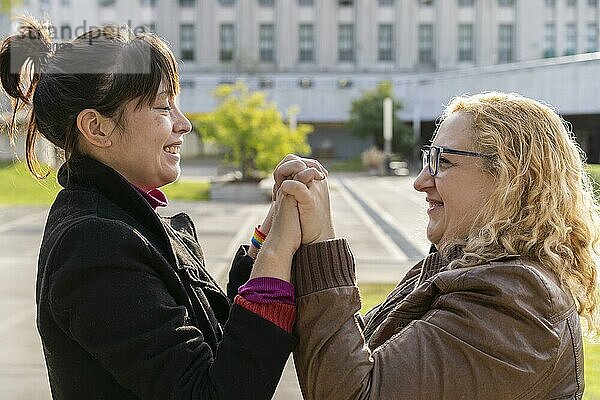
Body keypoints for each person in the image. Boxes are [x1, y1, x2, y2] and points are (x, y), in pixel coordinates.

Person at [0, 17, 326, 399]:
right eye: (162, 107)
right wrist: (278, 251)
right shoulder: (93, 243)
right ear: (97, 128)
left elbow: (218, 341)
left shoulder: (126, 221)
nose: (184, 124)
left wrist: (266, 236)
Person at [272, 92, 600, 399]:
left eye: (443, 161)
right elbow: (357, 354)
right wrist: (285, 246)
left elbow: (357, 392)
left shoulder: (517, 299)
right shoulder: (457, 268)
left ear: (509, 177)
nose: (420, 181)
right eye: (429, 157)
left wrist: (321, 243)